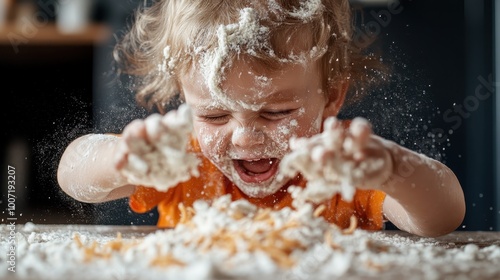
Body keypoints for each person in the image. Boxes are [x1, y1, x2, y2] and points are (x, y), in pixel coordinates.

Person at [57, 0, 465, 237]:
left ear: (332, 96)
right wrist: (120, 158)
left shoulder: (343, 163)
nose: (246, 139)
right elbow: (72, 174)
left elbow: (443, 217)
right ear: (185, 100)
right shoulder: (181, 161)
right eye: (215, 115)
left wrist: (391, 168)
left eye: (276, 112)